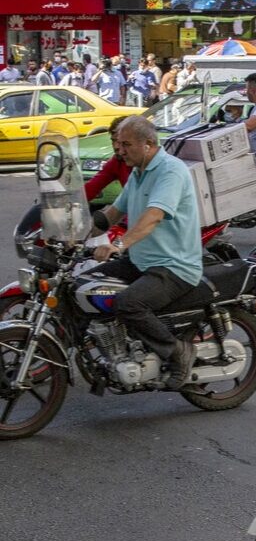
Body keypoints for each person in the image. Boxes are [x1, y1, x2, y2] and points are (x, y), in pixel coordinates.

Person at [85, 116, 202, 390]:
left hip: (174, 266)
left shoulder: (170, 171)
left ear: (148, 144)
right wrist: (74, 235)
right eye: (118, 144)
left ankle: (178, 351)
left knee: (128, 303)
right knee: (86, 284)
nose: (120, 150)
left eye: (126, 144)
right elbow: (112, 213)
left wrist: (118, 245)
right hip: (141, 261)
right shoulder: (138, 173)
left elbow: (154, 216)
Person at [84, 116, 132, 201]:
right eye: (113, 140)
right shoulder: (117, 161)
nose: (116, 146)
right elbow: (91, 188)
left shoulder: (150, 164)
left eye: (122, 142)